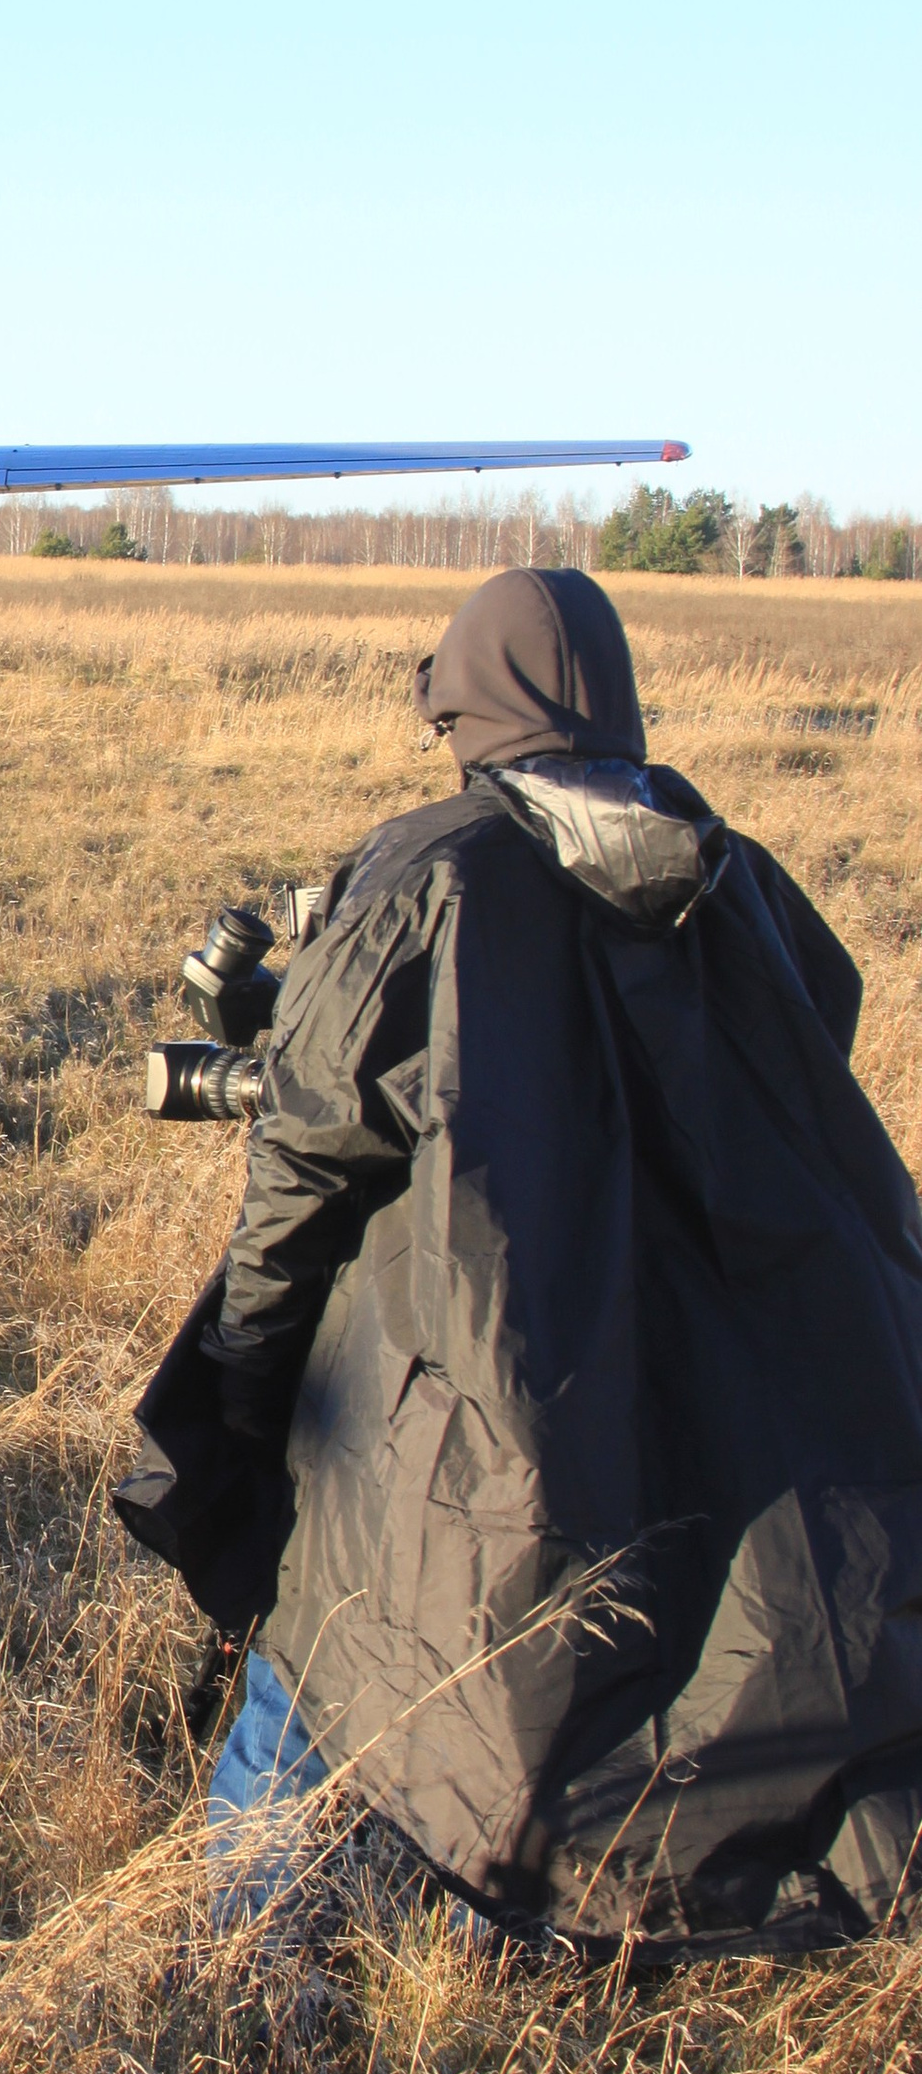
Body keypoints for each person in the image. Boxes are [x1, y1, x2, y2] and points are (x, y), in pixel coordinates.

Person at [117, 564, 922, 1957]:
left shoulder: (434, 870)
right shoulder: (731, 870)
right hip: (697, 1379)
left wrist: (246, 1379)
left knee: (333, 1638)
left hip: (463, 1396)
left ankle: (249, 1976)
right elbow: (817, 1038)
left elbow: (310, 1153)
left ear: (472, 710)